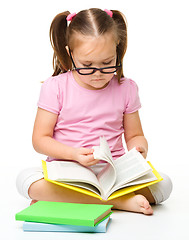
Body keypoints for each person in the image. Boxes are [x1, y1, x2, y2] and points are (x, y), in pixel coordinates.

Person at [16, 8, 172, 215]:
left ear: (117, 50)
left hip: (114, 174)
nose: (98, 73)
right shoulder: (55, 87)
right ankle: (119, 202)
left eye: (107, 63)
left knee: (165, 185)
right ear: (70, 53)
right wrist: (73, 154)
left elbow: (135, 136)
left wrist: (139, 150)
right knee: (25, 180)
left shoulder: (127, 88)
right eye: (87, 65)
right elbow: (40, 139)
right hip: (69, 173)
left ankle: (66, 200)